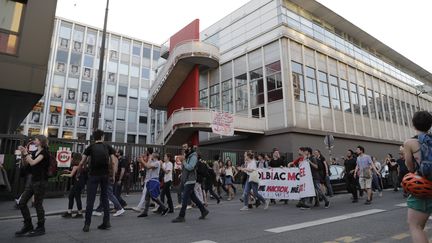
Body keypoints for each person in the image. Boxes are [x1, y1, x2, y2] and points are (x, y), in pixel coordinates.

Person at [78, 129, 118, 232]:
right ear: (102, 137)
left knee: (90, 200)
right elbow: (113, 162)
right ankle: (107, 222)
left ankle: (87, 224)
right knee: (104, 199)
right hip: (105, 176)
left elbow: (82, 162)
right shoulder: (108, 147)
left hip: (93, 175)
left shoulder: (90, 147)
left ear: (93, 137)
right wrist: (113, 175)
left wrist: (78, 172)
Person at [403, 111, 432, 243]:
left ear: (413, 124)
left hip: (424, 187)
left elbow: (409, 167)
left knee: (416, 225)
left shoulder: (410, 143)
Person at [15, 135, 50, 237]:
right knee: (22, 203)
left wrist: (26, 153)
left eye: (36, 139)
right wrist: (23, 155)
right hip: (33, 181)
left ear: (41, 141)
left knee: (38, 204)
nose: (34, 141)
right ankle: (28, 225)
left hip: (41, 182)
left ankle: (41, 227)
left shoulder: (44, 153)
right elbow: (27, 165)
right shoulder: (35, 152)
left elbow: (33, 163)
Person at [172, 143, 209, 223]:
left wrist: (184, 161)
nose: (184, 149)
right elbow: (184, 168)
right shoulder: (188, 156)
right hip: (186, 180)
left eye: (186, 147)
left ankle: (181, 216)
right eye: (183, 147)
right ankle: (204, 211)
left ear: (190, 148)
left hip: (190, 180)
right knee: (193, 197)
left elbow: (190, 167)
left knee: (185, 198)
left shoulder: (193, 156)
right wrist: (183, 161)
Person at [138, 152, 169, 217]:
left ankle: (165, 208)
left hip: (154, 181)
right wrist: (145, 160)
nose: (150, 156)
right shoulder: (153, 162)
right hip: (150, 181)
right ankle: (145, 212)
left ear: (155, 156)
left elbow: (148, 166)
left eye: (152, 155)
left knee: (154, 197)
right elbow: (146, 165)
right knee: (148, 197)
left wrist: (142, 160)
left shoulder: (157, 163)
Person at [61, 153, 86, 218]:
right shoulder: (81, 165)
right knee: (71, 196)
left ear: (75, 158)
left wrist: (64, 175)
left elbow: (71, 175)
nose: (71, 159)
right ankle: (70, 212)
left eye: (72, 157)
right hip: (80, 183)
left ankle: (79, 213)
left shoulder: (75, 166)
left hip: (76, 184)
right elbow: (76, 172)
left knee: (76, 197)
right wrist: (69, 171)